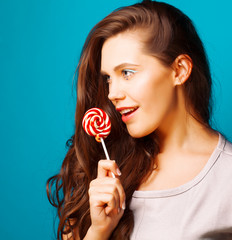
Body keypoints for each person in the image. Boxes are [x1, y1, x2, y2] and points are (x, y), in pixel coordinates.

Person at [46, 0, 232, 239]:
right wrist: (99, 231)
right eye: (108, 79)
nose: (113, 93)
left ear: (180, 70)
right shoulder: (108, 168)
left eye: (127, 73)